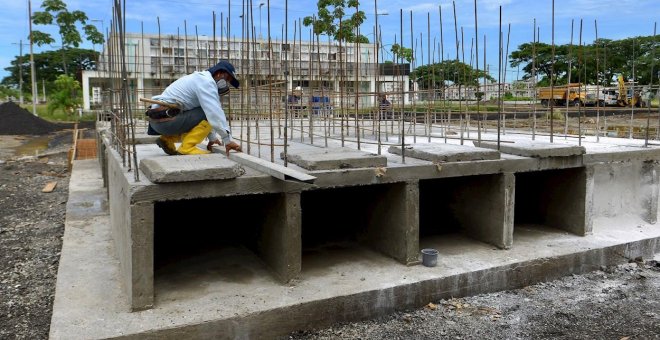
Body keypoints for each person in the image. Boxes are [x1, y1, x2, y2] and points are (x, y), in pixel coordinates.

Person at [146, 60, 243, 156]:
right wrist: (227, 140)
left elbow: (201, 119)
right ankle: (187, 147)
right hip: (166, 121)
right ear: (219, 73)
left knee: (203, 112)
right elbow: (213, 114)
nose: (226, 83)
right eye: (227, 79)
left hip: (158, 122)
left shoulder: (200, 78)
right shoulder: (207, 82)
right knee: (209, 113)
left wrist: (212, 138)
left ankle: (167, 139)